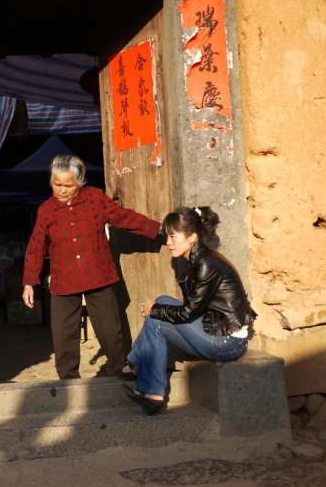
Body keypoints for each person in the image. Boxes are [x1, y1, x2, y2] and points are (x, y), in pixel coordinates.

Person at [22, 155, 162, 380]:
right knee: (63, 332)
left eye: (69, 185)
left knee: (110, 327)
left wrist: (157, 229)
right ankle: (68, 377)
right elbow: (36, 246)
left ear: (80, 182)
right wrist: (29, 282)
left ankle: (118, 366)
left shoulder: (95, 198)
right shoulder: (46, 210)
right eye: (58, 184)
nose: (63, 190)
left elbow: (123, 217)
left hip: (98, 272)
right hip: (64, 277)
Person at [122, 207, 257, 415]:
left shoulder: (206, 264)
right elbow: (191, 309)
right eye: (167, 236)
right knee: (161, 302)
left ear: (192, 237)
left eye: (173, 236)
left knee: (155, 318)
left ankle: (150, 389)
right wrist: (157, 308)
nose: (167, 243)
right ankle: (137, 365)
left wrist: (154, 311)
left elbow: (187, 314)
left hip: (227, 343)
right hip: (214, 331)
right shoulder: (200, 259)